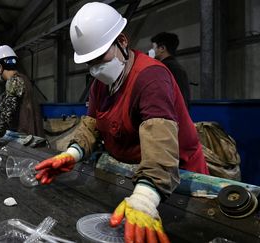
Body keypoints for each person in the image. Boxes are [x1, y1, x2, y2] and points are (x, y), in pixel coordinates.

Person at [34, 3, 209, 243]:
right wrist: (73, 153)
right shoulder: (100, 85)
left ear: (123, 41)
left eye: (101, 57)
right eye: (90, 62)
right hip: (142, 176)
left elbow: (160, 142)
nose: (96, 68)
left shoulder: (151, 77)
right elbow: (92, 124)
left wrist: (146, 197)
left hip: (176, 177)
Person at [149, 32, 190, 108]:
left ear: (162, 48)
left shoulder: (162, 68)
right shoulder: (178, 67)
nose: (151, 50)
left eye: (154, 47)